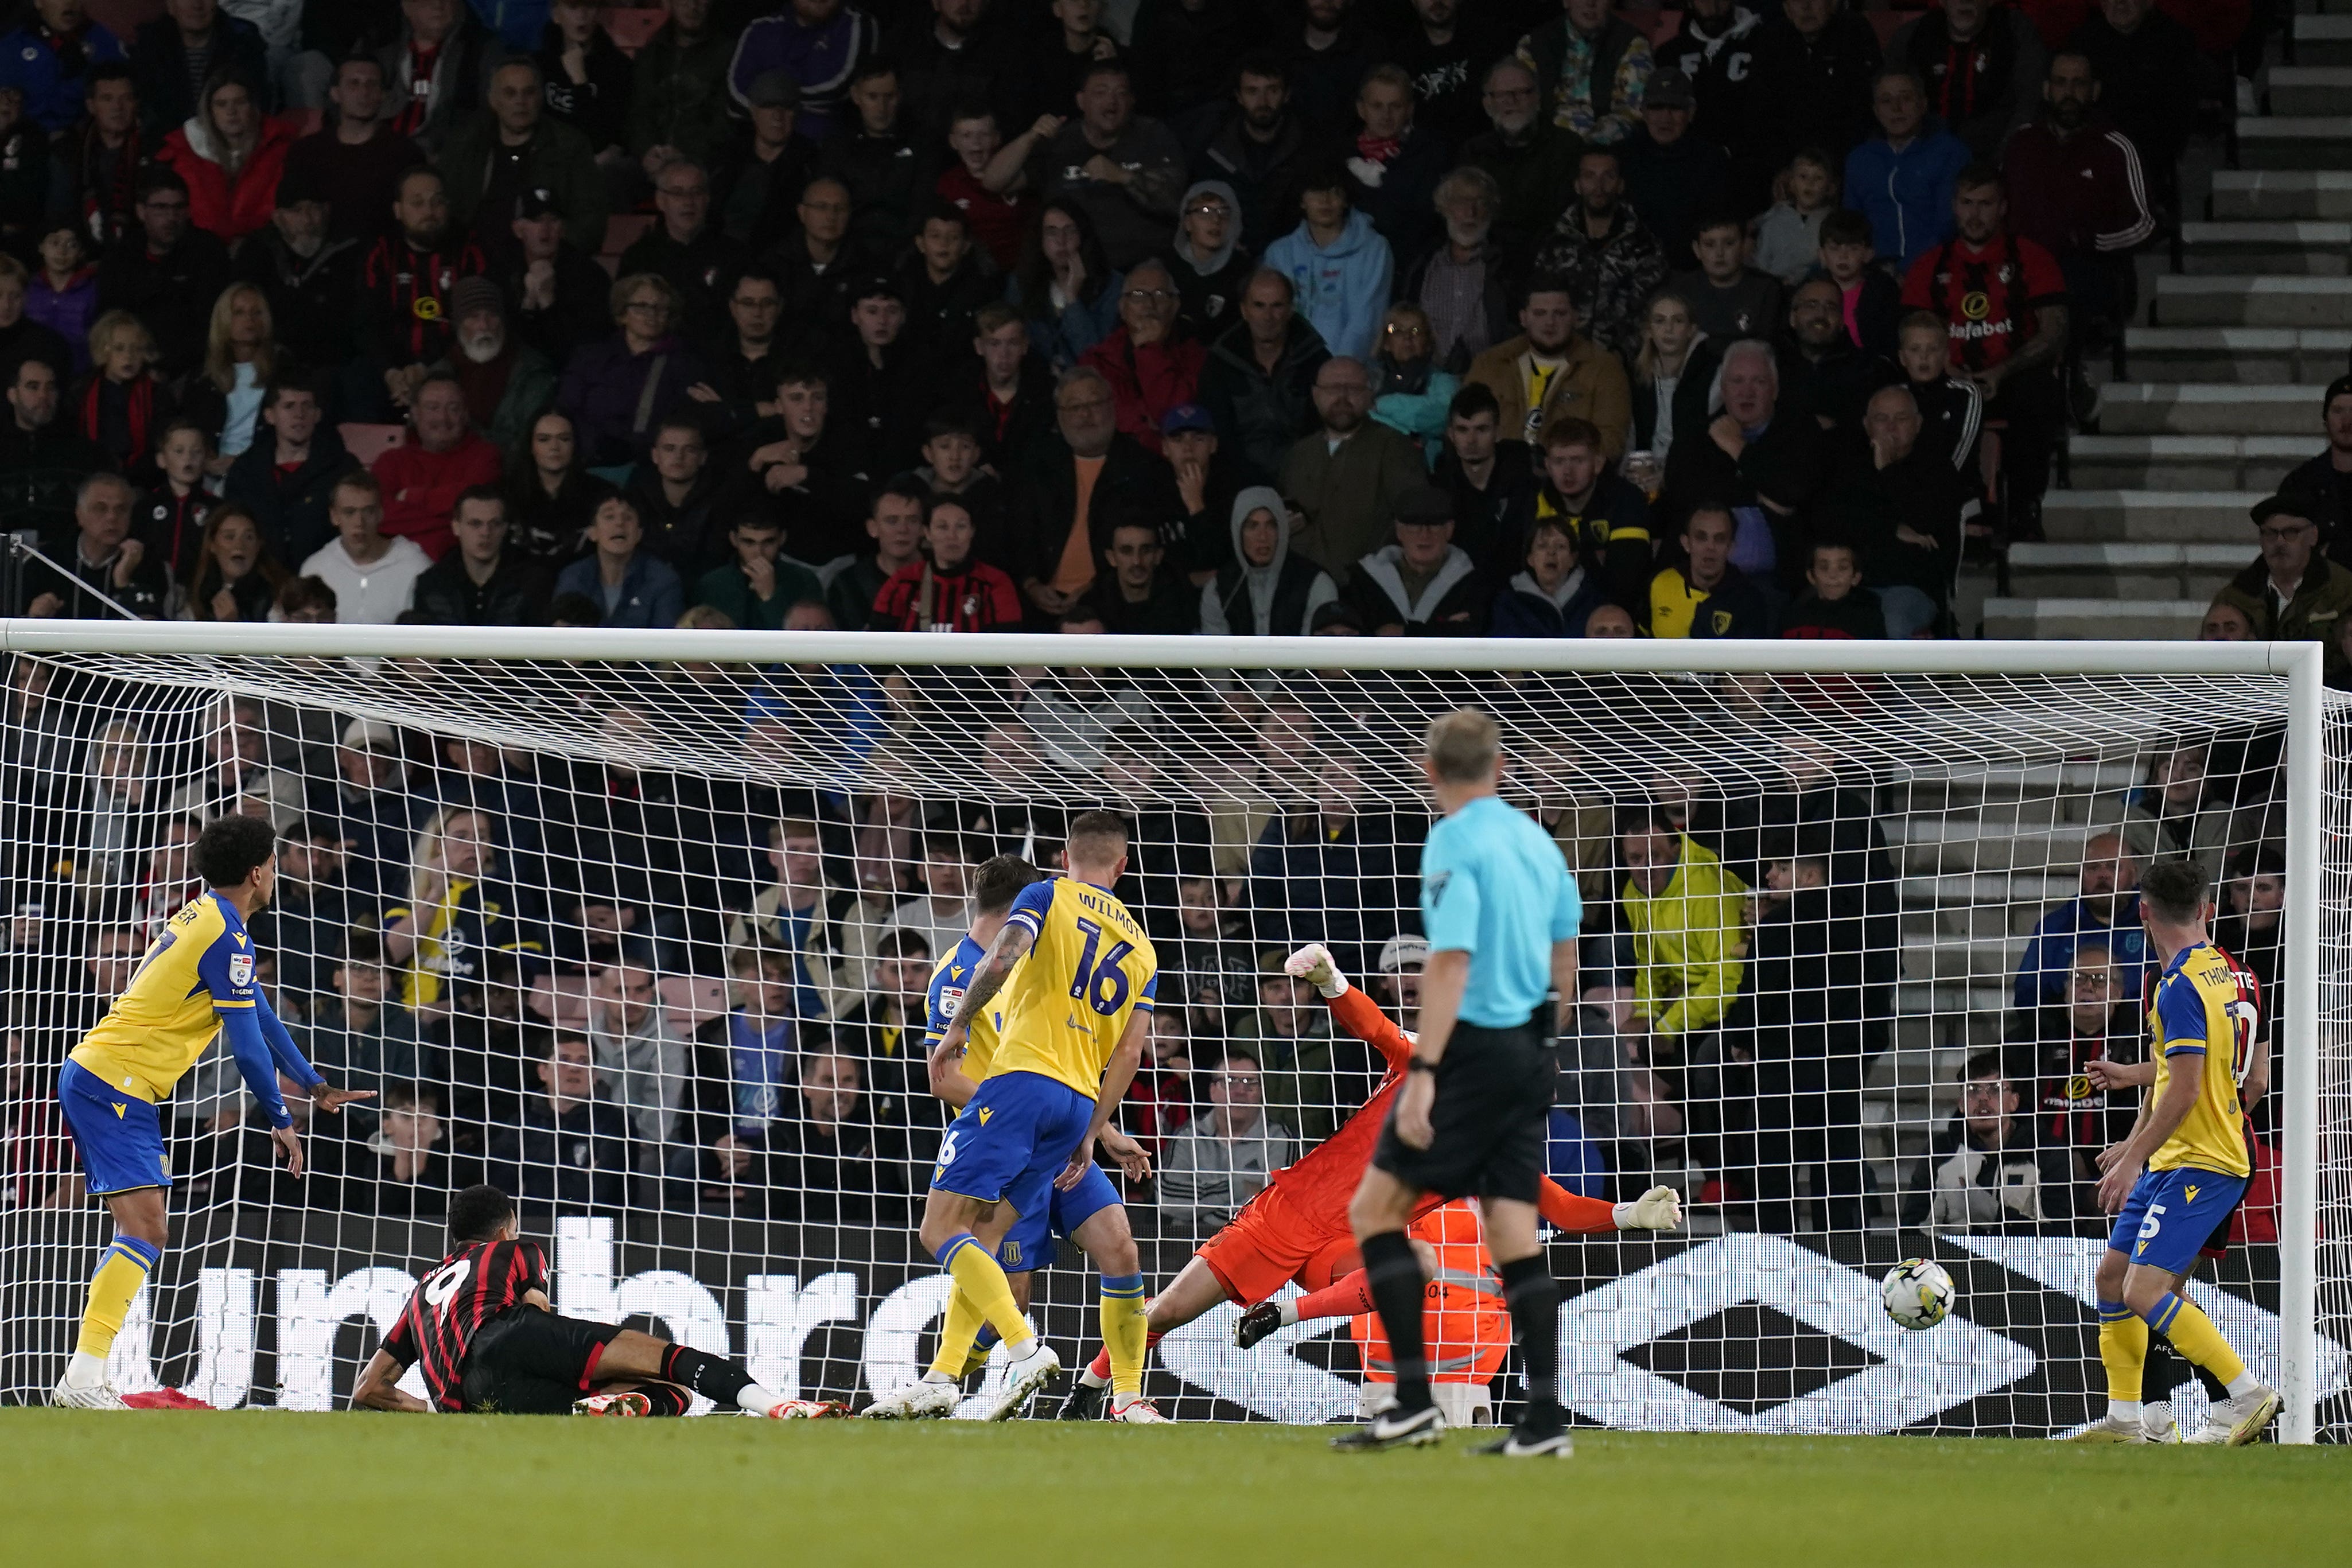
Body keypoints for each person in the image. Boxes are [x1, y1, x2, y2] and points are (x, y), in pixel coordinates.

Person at [49, 814, 369, 1408]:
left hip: (109, 1076)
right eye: (272, 864)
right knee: (146, 1229)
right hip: (115, 1080)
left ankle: (84, 1375)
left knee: (140, 1229)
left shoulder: (207, 915)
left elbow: (262, 1015)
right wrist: (280, 1117)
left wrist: (314, 1083)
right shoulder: (225, 934)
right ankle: (82, 1379)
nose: (274, 874)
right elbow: (246, 1047)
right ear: (256, 873)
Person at [1335, 710, 1581, 1456]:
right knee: (1510, 1230)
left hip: (1470, 1050)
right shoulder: (1536, 840)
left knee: (1373, 1212)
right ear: (1500, 766)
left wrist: (1425, 1074)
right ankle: (1542, 1419)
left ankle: (1409, 1400)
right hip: (1531, 1048)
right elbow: (1563, 947)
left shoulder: (1452, 840)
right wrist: (1545, 1045)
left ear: (1428, 770)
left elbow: (1448, 961)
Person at [864, 852, 1152, 1418]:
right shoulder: (957, 972)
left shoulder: (1040, 962)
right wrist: (1006, 1111)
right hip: (1003, 1133)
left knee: (1119, 1243)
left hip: (1052, 1131)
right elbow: (945, 1080)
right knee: (1008, 1289)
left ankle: (1127, 1397)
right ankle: (950, 1376)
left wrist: (1104, 1132)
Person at [2071, 858, 2280, 1446]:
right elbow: (2215, 1072)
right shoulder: (2237, 976)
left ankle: (2244, 1394)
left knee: (2146, 1290)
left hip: (2204, 1160)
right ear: (2207, 909)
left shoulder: (2177, 987)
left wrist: (2135, 1153)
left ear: (2142, 911)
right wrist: (2137, 1127)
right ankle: (2129, 1419)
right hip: (2187, 1152)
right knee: (2114, 1277)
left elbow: (2186, 1087)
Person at [352, 1180, 838, 1417]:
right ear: (504, 1228)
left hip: (473, 1400)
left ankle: (616, 1407)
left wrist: (435, 1413)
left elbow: (368, 1388)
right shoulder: (513, 1250)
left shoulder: (420, 1293)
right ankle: (775, 1406)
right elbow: (535, 1314)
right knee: (673, 1367)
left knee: (657, 1398)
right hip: (513, 1334)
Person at [1901, 165, 2067, 539]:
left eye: (1985, 204)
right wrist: (1948, 370)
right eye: (1967, 203)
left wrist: (2000, 373)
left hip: (2010, 380)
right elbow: (1911, 334)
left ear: (2003, 207)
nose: (1975, 214)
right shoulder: (1928, 266)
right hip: (1948, 379)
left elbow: (2053, 332)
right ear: (1954, 207)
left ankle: (2025, 508)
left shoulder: (2031, 257)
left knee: (2037, 394)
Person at [2001, 51, 2156, 357]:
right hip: (2023, 265)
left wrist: (2086, 240)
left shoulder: (2116, 147)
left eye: (2078, 84)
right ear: (2047, 89)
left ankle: (2070, 373)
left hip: (2089, 267)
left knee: (2067, 289)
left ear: (2094, 91)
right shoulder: (2021, 143)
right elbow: (1998, 209)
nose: (2069, 93)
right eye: (2060, 83)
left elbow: (2144, 224)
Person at [1020, 60, 1184, 273]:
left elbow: (1178, 201)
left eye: (1121, 93)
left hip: (1144, 267)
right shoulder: (1061, 141)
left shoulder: (1153, 135)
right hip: (1073, 264)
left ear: (1132, 100)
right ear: (1081, 101)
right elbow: (995, 181)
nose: (1112, 101)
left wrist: (1123, 176)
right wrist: (1029, 138)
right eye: (1101, 93)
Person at [1279, 356, 1426, 580]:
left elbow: (1415, 520)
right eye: (1332, 389)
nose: (1342, 397)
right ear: (1316, 395)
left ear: (1369, 396)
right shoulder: (1298, 455)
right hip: (1301, 587)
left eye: (1353, 389)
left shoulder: (1394, 448)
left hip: (1367, 588)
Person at [440, 57, 607, 256]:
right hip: (473, 260)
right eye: (510, 93)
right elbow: (447, 210)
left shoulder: (570, 146)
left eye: (529, 92)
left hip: (544, 262)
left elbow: (590, 224)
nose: (520, 101)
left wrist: (547, 247)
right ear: (493, 100)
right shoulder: (466, 143)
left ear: (541, 97)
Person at [357, 166, 487, 417]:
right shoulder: (382, 252)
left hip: (452, 360)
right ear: (398, 210)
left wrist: (429, 366)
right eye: (417, 203)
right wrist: (392, 372)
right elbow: (366, 322)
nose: (429, 212)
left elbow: (478, 321)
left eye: (437, 202)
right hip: (392, 368)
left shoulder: (469, 249)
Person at [1528, 146, 1670, 365]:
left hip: (1622, 366)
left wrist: (1619, 356)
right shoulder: (1554, 242)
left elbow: (1652, 313)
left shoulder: (1644, 245)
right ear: (1577, 184)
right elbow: (1540, 305)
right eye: (1590, 176)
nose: (1599, 186)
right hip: (1560, 361)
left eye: (1608, 177)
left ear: (1621, 185)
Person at [1463, 279, 1632, 459]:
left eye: (1560, 314)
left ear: (1576, 318)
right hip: (1498, 478)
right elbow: (1464, 429)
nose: (1550, 322)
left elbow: (1610, 442)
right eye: (1540, 313)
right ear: (1523, 318)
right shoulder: (1489, 364)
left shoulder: (1604, 368)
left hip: (1571, 479)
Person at [95, 169, 234, 380]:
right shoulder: (121, 257)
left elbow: (214, 324)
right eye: (161, 208)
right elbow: (110, 320)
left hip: (195, 371)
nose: (172, 217)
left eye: (179, 208)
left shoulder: (207, 252)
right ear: (141, 212)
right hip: (133, 369)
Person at [558, 273, 708, 468]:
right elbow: (567, 410)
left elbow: (685, 423)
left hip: (651, 467)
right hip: (587, 461)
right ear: (622, 314)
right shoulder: (591, 357)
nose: (651, 315)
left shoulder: (685, 364)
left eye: (660, 308)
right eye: (641, 307)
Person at [279, 56, 426, 248]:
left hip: (383, 256)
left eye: (372, 84)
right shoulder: (306, 152)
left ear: (383, 94)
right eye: (354, 84)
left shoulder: (405, 154)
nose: (364, 92)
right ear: (335, 94)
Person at [1199, 266, 1329, 483]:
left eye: (1277, 306)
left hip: (1305, 477)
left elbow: (1321, 433)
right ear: (1244, 310)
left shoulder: (1316, 359)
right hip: (1235, 478)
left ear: (1290, 310)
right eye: (1259, 306)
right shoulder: (1220, 362)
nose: (1268, 317)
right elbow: (1218, 433)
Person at [2209, 495, 2352, 686]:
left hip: (2328, 700)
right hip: (2254, 702)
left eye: (2291, 533)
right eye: (2270, 534)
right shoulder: (2236, 595)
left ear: (2313, 536)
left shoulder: (2344, 589)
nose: (2280, 542)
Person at [1261, 160, 1391, 365]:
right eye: (1315, 191)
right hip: (1290, 372)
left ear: (1346, 199)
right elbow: (1272, 319)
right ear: (1302, 200)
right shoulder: (1280, 253)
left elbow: (1367, 321)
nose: (1325, 200)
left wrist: (1336, 371)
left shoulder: (1374, 249)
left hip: (1349, 375)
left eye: (1334, 191)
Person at [1842, 68, 1971, 271]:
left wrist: (1910, 268)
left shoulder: (1949, 152)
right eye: (1886, 101)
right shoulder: (1860, 159)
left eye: (1906, 98)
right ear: (1876, 110)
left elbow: (1949, 222)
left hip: (1937, 265)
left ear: (1923, 105)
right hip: (1873, 271)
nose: (1896, 108)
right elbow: (1851, 226)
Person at [1078, 256, 1205, 454]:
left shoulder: (1197, 358)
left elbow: (1175, 420)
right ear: (1122, 307)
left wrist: (1149, 351)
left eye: (1160, 294)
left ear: (1175, 306)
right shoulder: (1097, 362)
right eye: (1138, 295)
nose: (1149, 304)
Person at [1461, 56, 1581, 262]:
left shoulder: (1568, 147)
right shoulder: (1474, 153)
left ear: (1538, 97)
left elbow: (1569, 220)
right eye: (1501, 95)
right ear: (1487, 104)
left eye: (1521, 93)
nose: (1512, 101)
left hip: (1553, 261)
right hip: (1489, 263)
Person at [1196, 51, 1314, 254]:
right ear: (1239, 97)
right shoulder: (1216, 149)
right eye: (1253, 91)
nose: (1263, 101)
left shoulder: (1308, 148)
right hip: (1228, 253)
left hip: (1294, 254)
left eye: (1272, 91)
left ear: (1287, 95)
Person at [2015, 829, 2146, 1011]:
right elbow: (2028, 995)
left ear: (2134, 874)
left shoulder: (2156, 924)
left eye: (2113, 867)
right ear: (2081, 875)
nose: (2103, 875)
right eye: (2093, 868)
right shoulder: (2055, 928)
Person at [375, 373, 504, 559]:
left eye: (453, 409)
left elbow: (476, 512)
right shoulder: (390, 462)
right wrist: (447, 522)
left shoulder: (486, 457)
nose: (443, 418)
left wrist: (412, 497)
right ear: (415, 413)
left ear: (466, 414)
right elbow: (377, 518)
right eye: (433, 408)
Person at [1402, 167, 1510, 376]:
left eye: (1481, 203)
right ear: (1444, 208)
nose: (1471, 212)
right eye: (1461, 202)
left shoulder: (1507, 267)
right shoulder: (1422, 265)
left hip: (1491, 378)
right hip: (1427, 382)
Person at [432, 276, 558, 454]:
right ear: (458, 323)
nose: (484, 326)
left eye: (492, 315)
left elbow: (532, 440)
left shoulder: (533, 371)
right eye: (473, 317)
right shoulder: (438, 375)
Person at [728, 0, 882, 145]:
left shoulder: (858, 24)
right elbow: (736, 99)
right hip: (758, 155)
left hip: (826, 152)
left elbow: (840, 89)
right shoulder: (760, 29)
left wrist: (766, 100)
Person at [15, 473, 167, 619]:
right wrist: (32, 617)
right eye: (101, 508)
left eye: (121, 509)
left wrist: (124, 584)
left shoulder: (150, 566)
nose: (112, 517)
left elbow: (157, 635)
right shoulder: (44, 561)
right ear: (79, 515)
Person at [1346, 487, 1492, 636]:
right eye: (1414, 526)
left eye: (1434, 525)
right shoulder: (1365, 582)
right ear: (1399, 531)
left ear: (1449, 530)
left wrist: (1404, 632)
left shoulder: (1473, 584)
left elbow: (1473, 636)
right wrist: (1442, 629)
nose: (1424, 535)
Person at [815, 60, 926, 254]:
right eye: (872, 97)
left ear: (900, 96)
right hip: (847, 253)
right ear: (856, 96)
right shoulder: (837, 147)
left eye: (889, 97)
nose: (881, 108)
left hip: (906, 255)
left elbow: (921, 209)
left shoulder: (920, 144)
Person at [1620, 70, 1731, 264]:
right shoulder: (1621, 157)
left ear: (1691, 113)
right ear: (1643, 111)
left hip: (1690, 272)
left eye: (1675, 107)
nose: (1666, 117)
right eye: (1657, 107)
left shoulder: (1712, 161)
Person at [1199, 486, 1339, 638]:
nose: (1263, 536)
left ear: (1282, 531)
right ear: (1238, 531)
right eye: (1253, 526)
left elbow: (1316, 655)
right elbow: (1217, 656)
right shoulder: (1219, 590)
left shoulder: (1316, 583)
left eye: (1271, 525)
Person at [300, 467, 432, 622]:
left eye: (368, 511)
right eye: (350, 512)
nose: (359, 522)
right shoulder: (316, 569)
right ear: (334, 516)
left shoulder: (416, 566)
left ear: (380, 514)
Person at [870, 496, 1020, 632]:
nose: (952, 536)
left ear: (972, 531)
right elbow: (876, 649)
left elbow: (1008, 650)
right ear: (927, 533)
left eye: (961, 527)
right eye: (942, 527)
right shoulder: (902, 583)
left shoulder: (995, 583)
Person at [1514, 0, 1653, 146]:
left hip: (1607, 150)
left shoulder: (1631, 43)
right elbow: (1521, 106)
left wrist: (1593, 144)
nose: (1590, 3)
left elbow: (1633, 113)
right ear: (1566, 2)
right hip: (1547, 148)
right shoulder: (1534, 45)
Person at [0, 354, 107, 541]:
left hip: (65, 562)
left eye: (50, 388)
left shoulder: (84, 453)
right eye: (33, 387)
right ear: (12, 395)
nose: (43, 396)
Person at [412, 484, 554, 624]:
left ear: (505, 528)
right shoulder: (433, 584)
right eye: (475, 524)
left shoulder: (533, 582)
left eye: (495, 524)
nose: (486, 533)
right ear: (456, 527)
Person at [554, 493, 684, 628]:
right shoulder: (573, 577)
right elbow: (563, 637)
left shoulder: (663, 581)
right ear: (592, 532)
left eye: (628, 518)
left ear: (639, 534)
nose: (620, 523)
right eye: (609, 517)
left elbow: (666, 643)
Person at [1649, 502, 1772, 639]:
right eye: (1701, 538)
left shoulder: (1749, 600)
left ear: (1730, 547)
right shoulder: (1659, 583)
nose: (1710, 547)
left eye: (1720, 539)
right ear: (1686, 543)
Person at [1489, 515, 1606, 639]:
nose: (1551, 552)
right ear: (1530, 558)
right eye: (1542, 546)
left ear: (1573, 559)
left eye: (1561, 546)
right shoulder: (1508, 605)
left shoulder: (1594, 602)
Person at [1674, 212, 1782, 343]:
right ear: (1697, 250)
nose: (1720, 253)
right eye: (1710, 244)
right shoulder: (1682, 290)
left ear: (1743, 246)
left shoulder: (1767, 289)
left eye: (1729, 243)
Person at [1168, 180, 1250, 345]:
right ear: (1187, 222)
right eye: (1205, 211)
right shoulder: (1166, 268)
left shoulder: (1245, 272)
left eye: (1224, 211)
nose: (1216, 220)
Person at [1752, 148, 1840, 286]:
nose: (1810, 184)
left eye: (1818, 178)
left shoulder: (1832, 223)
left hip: (1812, 287)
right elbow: (1762, 258)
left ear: (1830, 188)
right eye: (1803, 177)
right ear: (1792, 183)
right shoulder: (1773, 218)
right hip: (1771, 286)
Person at [1778, 537, 1884, 638]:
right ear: (1811, 576)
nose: (1833, 575)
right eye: (1824, 568)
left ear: (1856, 577)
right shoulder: (1793, 616)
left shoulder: (1869, 618)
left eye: (1842, 568)